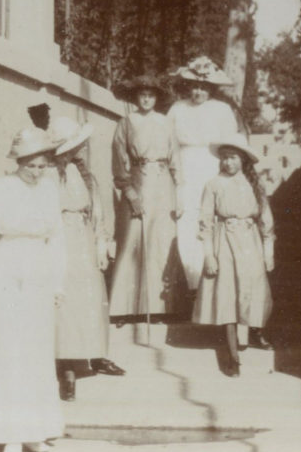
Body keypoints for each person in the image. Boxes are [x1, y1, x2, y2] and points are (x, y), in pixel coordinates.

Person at [0, 127, 66, 452]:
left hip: (39, 271)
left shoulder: (50, 190)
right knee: (9, 350)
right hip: (7, 269)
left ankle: (34, 432)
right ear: (19, 162)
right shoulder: (1, 188)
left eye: (42, 166)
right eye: (31, 166)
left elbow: (56, 237)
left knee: (36, 352)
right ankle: (9, 434)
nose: (37, 172)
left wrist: (57, 281)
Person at [48, 115, 126, 401]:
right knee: (67, 302)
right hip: (60, 240)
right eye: (71, 148)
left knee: (92, 296)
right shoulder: (48, 176)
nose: (77, 152)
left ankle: (96, 354)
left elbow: (97, 213)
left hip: (83, 238)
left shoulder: (84, 177)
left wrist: (101, 244)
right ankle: (67, 366)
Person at [192, 133, 275, 377]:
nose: (228, 163)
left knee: (252, 287)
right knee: (228, 292)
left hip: (250, 241)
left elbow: (266, 221)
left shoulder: (255, 185)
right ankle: (232, 355)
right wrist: (209, 255)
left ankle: (255, 331)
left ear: (244, 160)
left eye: (233, 158)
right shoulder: (214, 185)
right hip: (224, 240)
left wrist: (269, 251)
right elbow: (205, 221)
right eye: (225, 158)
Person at [109, 74, 185, 317]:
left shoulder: (165, 123)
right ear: (135, 98)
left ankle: (163, 308)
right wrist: (130, 193)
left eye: (151, 95)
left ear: (157, 98)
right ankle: (127, 308)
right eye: (142, 95)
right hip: (139, 180)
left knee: (161, 242)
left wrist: (179, 195)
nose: (146, 99)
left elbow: (176, 160)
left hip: (164, 186)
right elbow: (119, 161)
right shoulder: (126, 123)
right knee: (133, 241)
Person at [168, 56, 240, 292]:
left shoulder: (222, 109)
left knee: (211, 218)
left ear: (211, 89)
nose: (198, 92)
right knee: (187, 220)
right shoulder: (177, 109)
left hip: (212, 166)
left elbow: (231, 144)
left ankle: (214, 279)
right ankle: (192, 283)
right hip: (186, 168)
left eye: (203, 87)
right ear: (188, 87)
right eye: (195, 86)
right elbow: (169, 144)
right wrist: (175, 176)